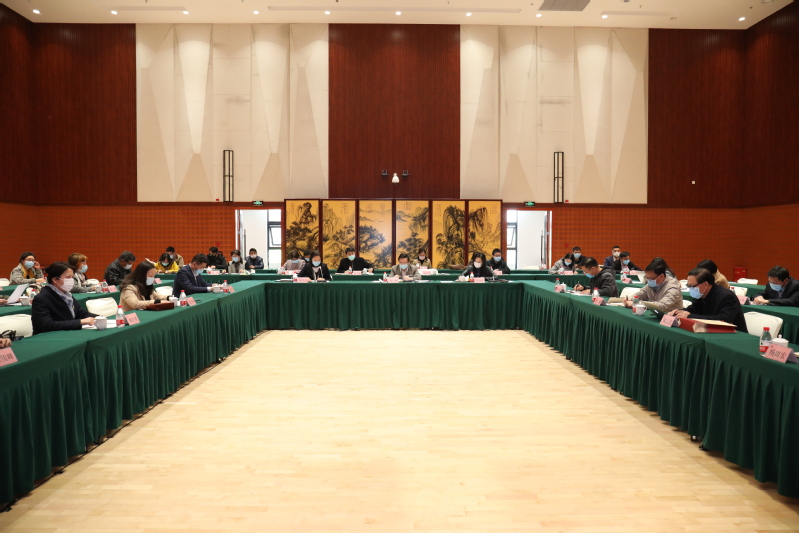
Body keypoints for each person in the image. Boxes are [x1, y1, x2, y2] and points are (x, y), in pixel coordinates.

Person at [670, 268, 747, 332]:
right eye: (688, 286)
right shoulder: (701, 294)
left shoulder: (727, 296)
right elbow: (692, 309)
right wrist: (678, 312)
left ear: (705, 284)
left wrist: (689, 316)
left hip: (734, 334)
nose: (690, 289)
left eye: (692, 286)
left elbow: (723, 320)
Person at [31, 262, 97, 334]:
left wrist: (98, 317)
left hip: (68, 333)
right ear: (55, 279)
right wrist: (80, 322)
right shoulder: (41, 299)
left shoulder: (67, 295)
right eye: (68, 277)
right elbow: (47, 325)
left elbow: (80, 313)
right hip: (49, 337)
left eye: (72, 277)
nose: (71, 280)